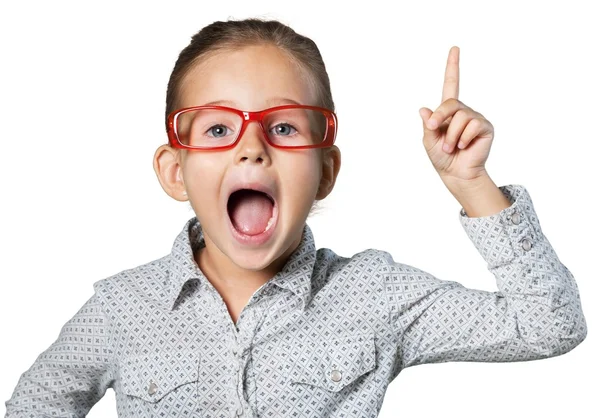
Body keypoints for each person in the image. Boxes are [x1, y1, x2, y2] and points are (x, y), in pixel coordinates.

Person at [4, 17, 587, 418]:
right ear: (175, 172)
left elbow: (549, 325)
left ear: (326, 171)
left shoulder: (373, 293)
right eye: (217, 129)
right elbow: (37, 403)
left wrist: (471, 182)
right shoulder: (121, 307)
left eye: (283, 127)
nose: (251, 146)